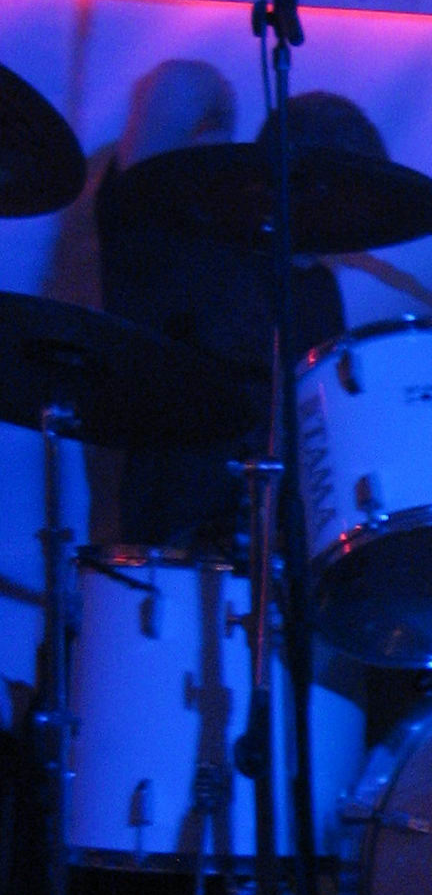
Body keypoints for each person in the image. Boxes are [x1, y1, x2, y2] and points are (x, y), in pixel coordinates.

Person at [97, 75, 379, 554]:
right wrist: (221, 122)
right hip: (180, 550)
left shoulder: (318, 288)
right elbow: (177, 87)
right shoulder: (176, 250)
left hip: (291, 553)